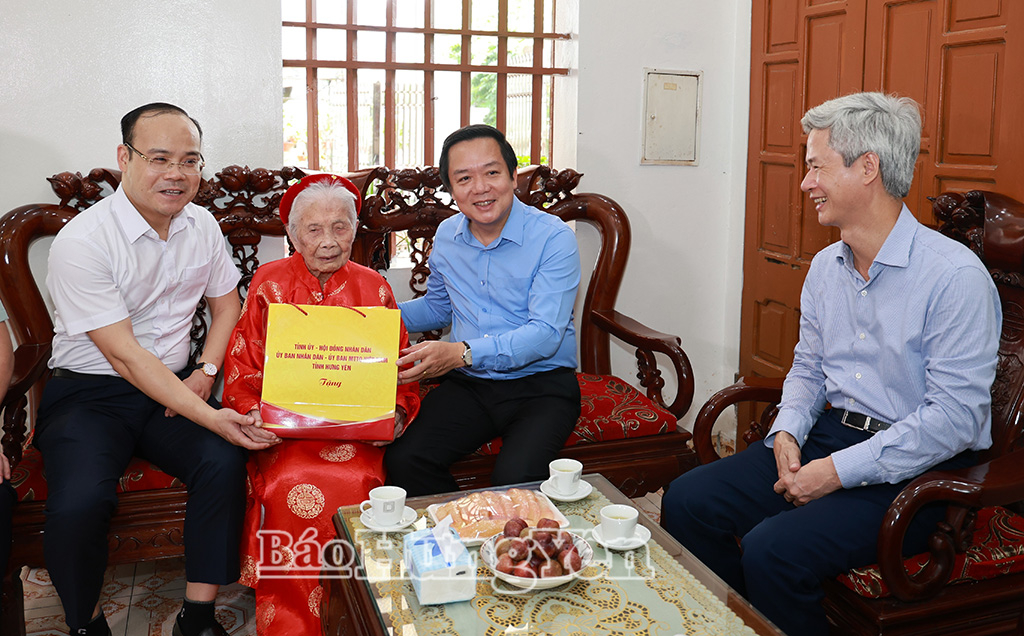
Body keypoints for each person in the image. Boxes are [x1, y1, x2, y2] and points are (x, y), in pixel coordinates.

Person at [662, 92, 1002, 636]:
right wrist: (788, 431)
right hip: (828, 435)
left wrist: (839, 471)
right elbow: (809, 368)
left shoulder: (954, 278)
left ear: (868, 168)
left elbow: (954, 420)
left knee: (773, 551)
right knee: (688, 500)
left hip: (920, 471)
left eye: (817, 166)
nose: (805, 183)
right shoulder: (826, 266)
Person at [37, 103, 278, 636]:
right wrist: (212, 416)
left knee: (223, 462)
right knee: (79, 503)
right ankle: (85, 623)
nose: (177, 173)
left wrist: (206, 372)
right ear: (125, 158)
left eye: (190, 160)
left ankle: (198, 616)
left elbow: (227, 307)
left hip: (176, 386)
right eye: (160, 158)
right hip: (90, 395)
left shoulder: (202, 224)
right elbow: (125, 355)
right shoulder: (83, 241)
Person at [222, 173, 421, 634]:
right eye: (313, 229)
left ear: (356, 231)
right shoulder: (268, 283)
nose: (328, 241)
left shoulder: (375, 287)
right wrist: (253, 411)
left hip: (357, 436)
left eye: (340, 227)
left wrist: (396, 413)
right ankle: (293, 624)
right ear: (293, 235)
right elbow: (242, 364)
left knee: (358, 480)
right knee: (289, 482)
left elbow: (400, 369)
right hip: (285, 435)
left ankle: (361, 617)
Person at [384, 124, 582, 496]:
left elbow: (545, 334)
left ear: (512, 175)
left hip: (541, 386)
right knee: (404, 459)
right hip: (471, 385)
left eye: (491, 172)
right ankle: (459, 526)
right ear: (451, 189)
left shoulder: (553, 238)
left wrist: (462, 353)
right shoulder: (448, 236)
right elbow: (438, 309)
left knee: (514, 482)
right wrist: (373, 314)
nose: (480, 188)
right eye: (464, 178)